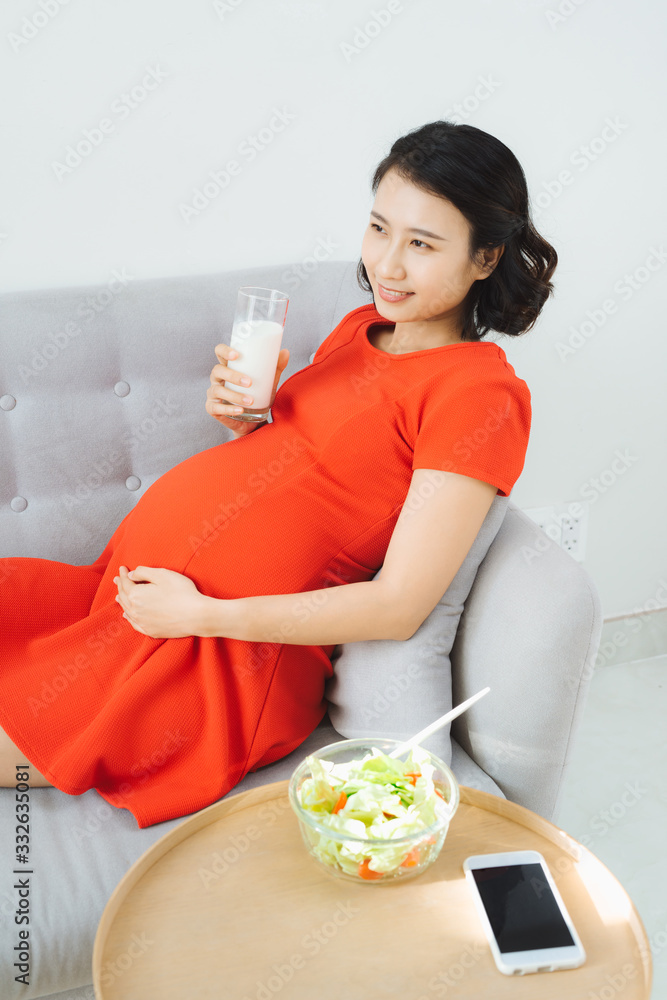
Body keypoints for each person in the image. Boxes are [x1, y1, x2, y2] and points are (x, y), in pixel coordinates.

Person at [0, 120, 557, 828]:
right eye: (378, 228)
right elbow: (314, 478)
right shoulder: (360, 328)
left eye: (420, 244)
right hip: (120, 600)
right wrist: (244, 424)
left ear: (485, 257)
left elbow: (398, 605)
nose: (386, 264)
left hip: (213, 664)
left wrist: (201, 615)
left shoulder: (479, 397)